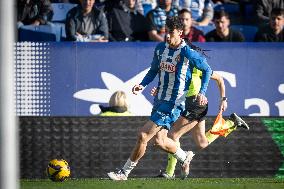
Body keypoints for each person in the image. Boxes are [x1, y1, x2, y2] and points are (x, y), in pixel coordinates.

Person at [107, 16, 212, 180]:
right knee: (160, 141)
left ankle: (124, 172)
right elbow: (153, 70)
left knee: (143, 135)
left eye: (171, 32)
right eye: (165, 32)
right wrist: (142, 85)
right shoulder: (160, 48)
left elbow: (207, 70)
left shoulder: (187, 53)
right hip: (159, 100)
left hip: (174, 103)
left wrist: (202, 92)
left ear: (180, 33)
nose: (168, 36)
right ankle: (185, 157)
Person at [155, 58, 249, 179]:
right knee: (202, 143)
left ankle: (170, 172)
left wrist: (223, 99)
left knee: (173, 135)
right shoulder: (177, 68)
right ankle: (231, 123)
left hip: (196, 105)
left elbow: (220, 79)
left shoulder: (197, 66)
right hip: (191, 105)